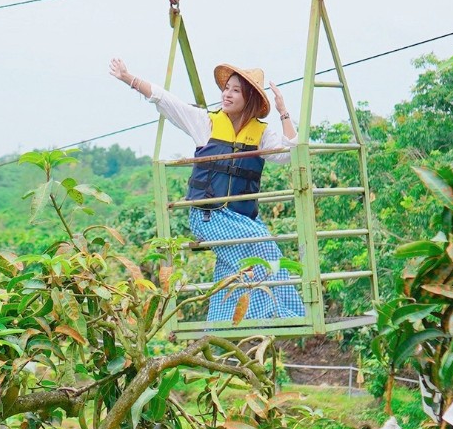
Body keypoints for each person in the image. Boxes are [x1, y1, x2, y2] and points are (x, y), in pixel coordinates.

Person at [109, 57, 306, 321]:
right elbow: (167, 101)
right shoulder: (208, 123)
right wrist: (129, 78)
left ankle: (222, 322)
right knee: (263, 247)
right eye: (227, 88)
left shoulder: (260, 133)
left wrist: (283, 110)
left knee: (245, 261)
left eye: (236, 90)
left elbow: (292, 152)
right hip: (209, 215)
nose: (227, 94)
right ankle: (278, 314)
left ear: (249, 99)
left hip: (243, 218)